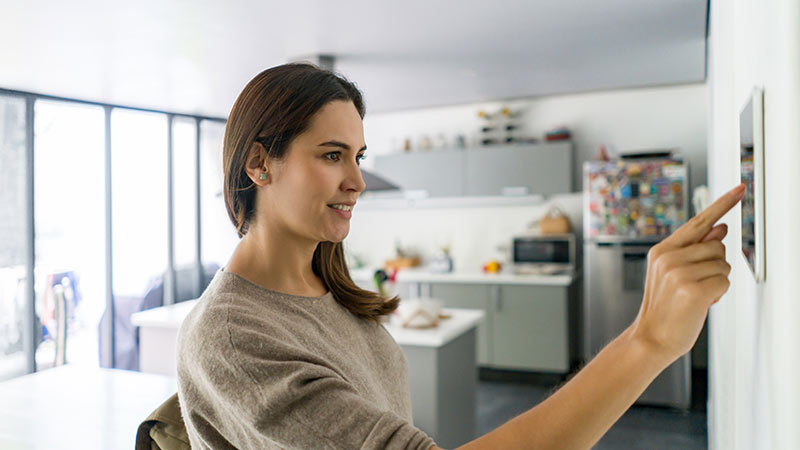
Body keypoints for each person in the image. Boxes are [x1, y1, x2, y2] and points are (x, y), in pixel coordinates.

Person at [176, 62, 744, 450]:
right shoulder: (231, 336)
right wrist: (647, 341)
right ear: (259, 164)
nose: (357, 180)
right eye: (332, 155)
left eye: (358, 155)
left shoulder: (324, 286)